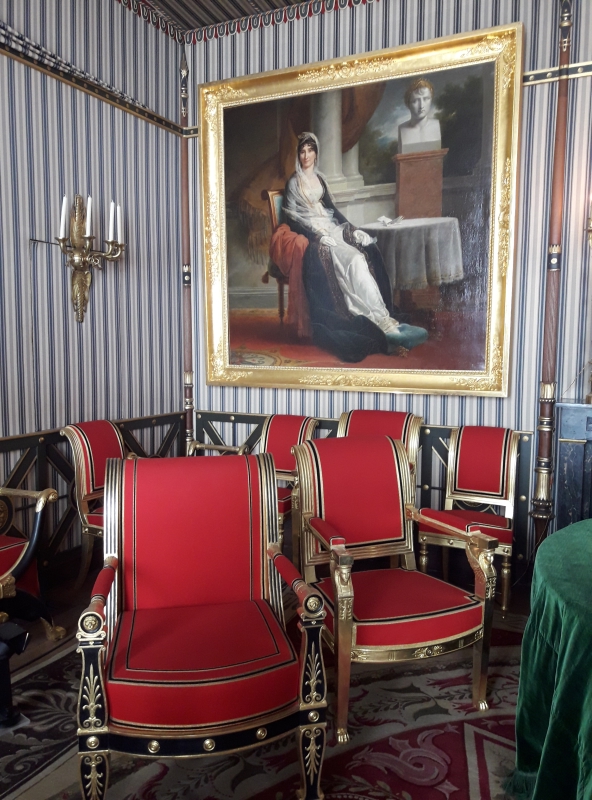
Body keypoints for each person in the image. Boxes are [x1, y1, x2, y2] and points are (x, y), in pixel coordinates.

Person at [283, 132, 428, 363]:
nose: (306, 155)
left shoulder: (319, 179)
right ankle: (371, 318)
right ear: (298, 155)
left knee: (362, 255)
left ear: (316, 153)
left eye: (310, 150)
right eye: (302, 151)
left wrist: (353, 228)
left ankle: (384, 318)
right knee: (352, 261)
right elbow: (292, 219)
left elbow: (333, 210)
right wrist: (316, 237)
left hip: (332, 228)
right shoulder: (293, 183)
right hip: (315, 232)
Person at [398, 78, 441, 154]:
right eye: (415, 101)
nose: (421, 106)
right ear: (408, 103)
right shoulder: (402, 129)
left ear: (431, 100)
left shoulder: (436, 125)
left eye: (426, 99)